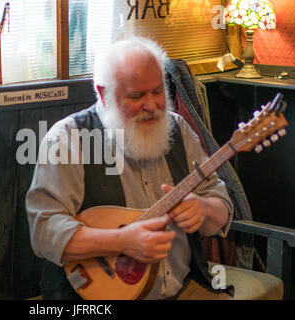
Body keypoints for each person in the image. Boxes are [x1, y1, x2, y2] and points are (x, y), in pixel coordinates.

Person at [25, 36, 234, 300]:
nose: (151, 105)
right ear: (103, 94)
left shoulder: (178, 129)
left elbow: (222, 206)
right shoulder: (68, 139)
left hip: (185, 288)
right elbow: (44, 231)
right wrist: (122, 241)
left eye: (158, 91)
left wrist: (203, 210)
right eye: (137, 96)